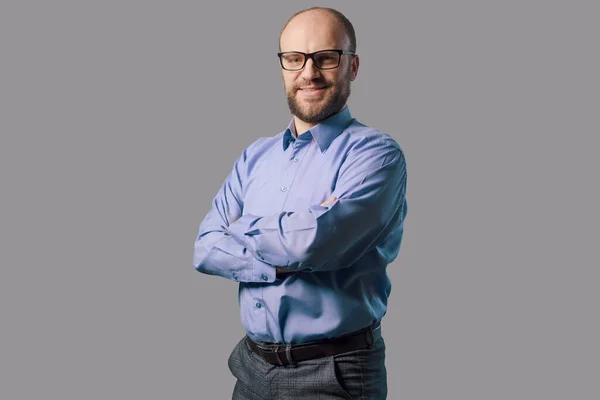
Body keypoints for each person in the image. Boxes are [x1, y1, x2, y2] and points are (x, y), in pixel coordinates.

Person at [193, 6, 407, 399]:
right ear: (283, 67)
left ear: (352, 67)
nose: (308, 72)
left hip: (333, 373)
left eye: (325, 58)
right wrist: (291, 238)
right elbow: (205, 249)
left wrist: (241, 227)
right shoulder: (255, 156)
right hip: (250, 367)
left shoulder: (377, 155)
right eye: (294, 59)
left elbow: (316, 242)